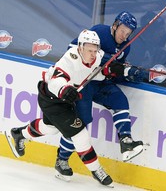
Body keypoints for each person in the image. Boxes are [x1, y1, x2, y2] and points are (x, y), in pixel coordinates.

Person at [6, 29, 119, 187]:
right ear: (80, 48)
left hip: (62, 99)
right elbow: (56, 81)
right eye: (89, 50)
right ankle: (96, 170)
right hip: (52, 97)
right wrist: (64, 89)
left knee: (50, 128)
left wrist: (110, 71)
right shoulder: (70, 59)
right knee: (80, 134)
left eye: (95, 50)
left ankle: (19, 134)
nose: (93, 54)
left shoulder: (96, 56)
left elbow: (93, 71)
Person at [55, 11, 148, 181]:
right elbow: (72, 49)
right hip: (84, 82)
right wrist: (103, 58)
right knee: (79, 124)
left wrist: (129, 74)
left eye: (128, 34)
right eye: (122, 31)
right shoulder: (99, 31)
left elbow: (113, 71)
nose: (124, 36)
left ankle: (126, 141)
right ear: (114, 25)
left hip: (101, 83)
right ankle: (61, 160)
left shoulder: (126, 46)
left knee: (120, 100)